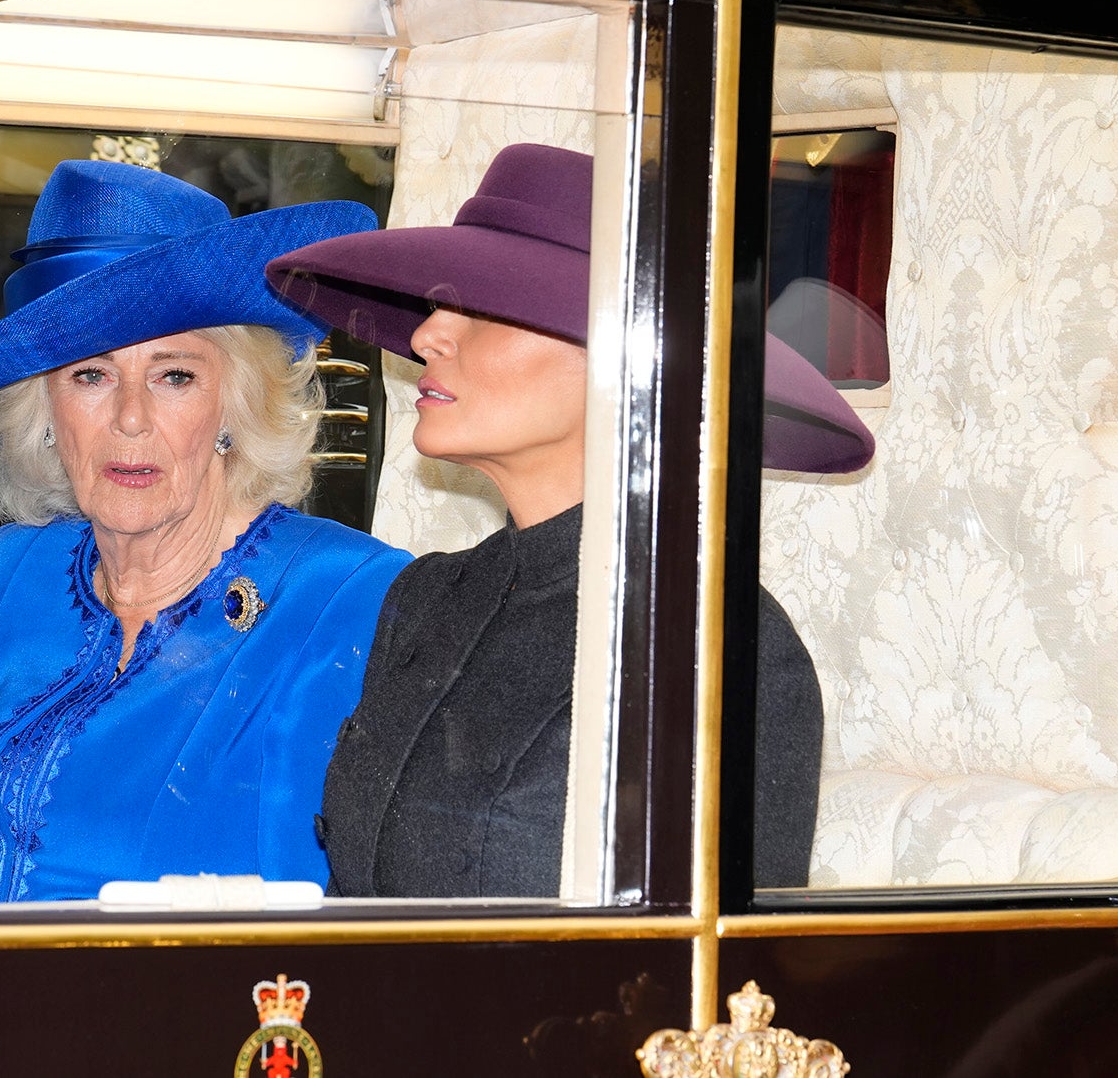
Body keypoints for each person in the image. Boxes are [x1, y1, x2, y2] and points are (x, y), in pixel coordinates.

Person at [266, 142, 875, 897]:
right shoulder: (426, 602)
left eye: (479, 308)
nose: (426, 336)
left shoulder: (715, 649)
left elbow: (712, 982)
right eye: (435, 306)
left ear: (620, 358)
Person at [0, 159, 410, 904]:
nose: (130, 419)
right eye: (90, 376)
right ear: (44, 411)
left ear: (236, 401)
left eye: (175, 376)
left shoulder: (347, 596)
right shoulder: (10, 569)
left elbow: (342, 910)